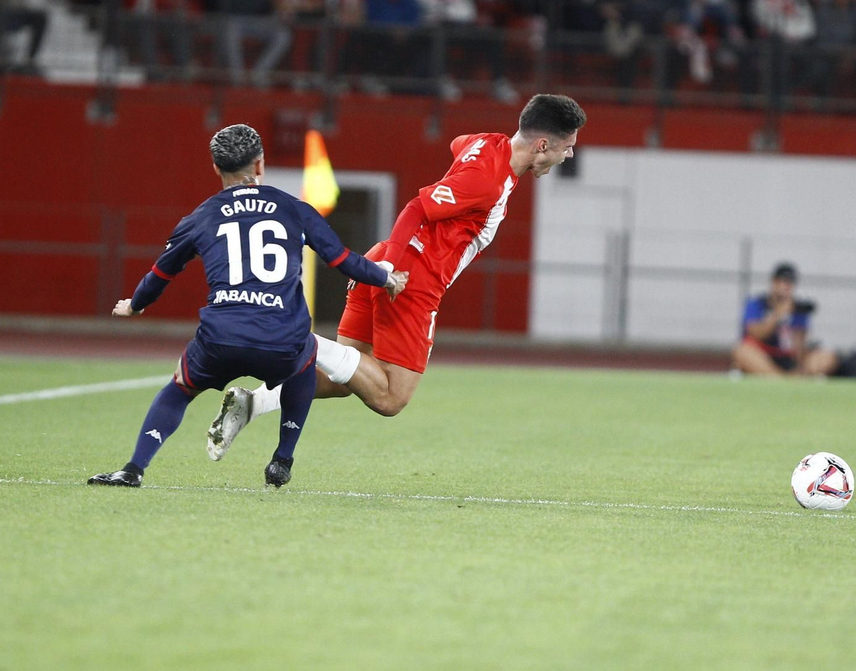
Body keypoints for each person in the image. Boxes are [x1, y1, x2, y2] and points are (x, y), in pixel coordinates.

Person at [206, 95, 587, 455]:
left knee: (347, 376)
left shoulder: (488, 144)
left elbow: (458, 143)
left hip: (388, 257)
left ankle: (253, 403)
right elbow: (417, 207)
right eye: (566, 147)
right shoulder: (488, 180)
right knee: (390, 398)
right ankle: (302, 341)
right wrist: (389, 269)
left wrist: (386, 259)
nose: (568, 155)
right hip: (410, 278)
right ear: (541, 145)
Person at [88, 124, 407, 489]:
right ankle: (282, 460)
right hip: (281, 339)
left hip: (221, 336)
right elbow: (341, 259)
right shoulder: (292, 208)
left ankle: (133, 469)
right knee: (305, 357)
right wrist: (386, 279)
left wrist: (136, 305)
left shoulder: (202, 216)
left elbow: (161, 273)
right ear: (260, 165)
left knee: (179, 388)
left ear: (215, 168)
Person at [733, 263, 839, 377]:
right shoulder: (757, 303)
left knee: (827, 357)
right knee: (742, 351)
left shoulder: (798, 309)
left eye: (790, 282)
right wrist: (778, 315)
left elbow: (798, 349)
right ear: (773, 282)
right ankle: (779, 378)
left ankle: (791, 377)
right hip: (763, 356)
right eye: (782, 281)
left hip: (788, 358)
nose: (786, 286)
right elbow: (756, 333)